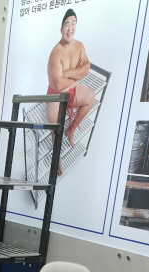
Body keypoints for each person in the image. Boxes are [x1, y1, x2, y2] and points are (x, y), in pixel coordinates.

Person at [46, 9, 95, 170]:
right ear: (61, 28)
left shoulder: (79, 46)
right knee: (56, 129)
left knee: (90, 97)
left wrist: (67, 73)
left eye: (73, 23)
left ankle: (71, 130)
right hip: (55, 95)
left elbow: (86, 68)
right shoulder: (56, 53)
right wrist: (77, 76)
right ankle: (57, 158)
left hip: (71, 90)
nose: (70, 28)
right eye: (67, 24)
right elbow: (58, 85)